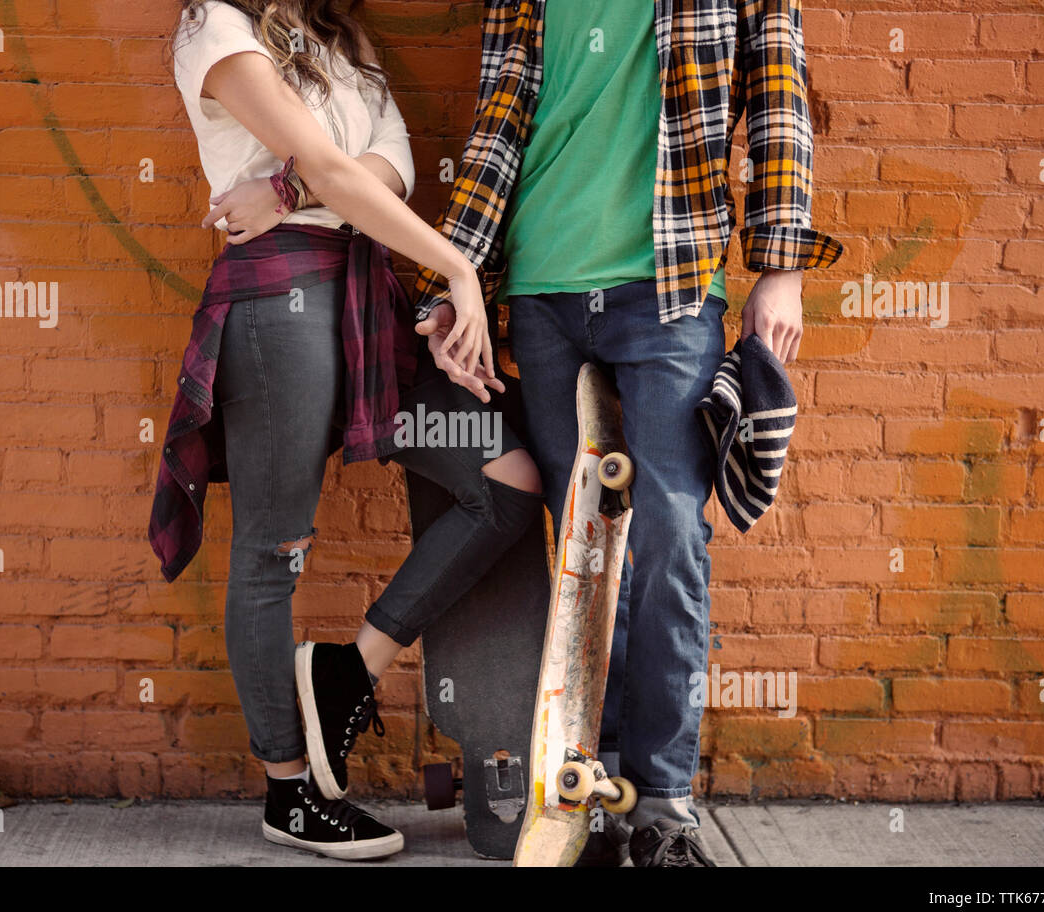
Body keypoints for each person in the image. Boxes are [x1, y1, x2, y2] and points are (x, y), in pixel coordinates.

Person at [413, 0, 843, 866]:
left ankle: (664, 803)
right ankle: (594, 788)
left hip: (670, 288)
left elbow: (779, 96)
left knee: (674, 532)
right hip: (542, 290)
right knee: (584, 551)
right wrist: (452, 282)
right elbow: (499, 122)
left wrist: (782, 266)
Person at [150, 0, 544, 862]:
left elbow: (389, 168)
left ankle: (348, 672)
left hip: (366, 298)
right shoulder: (214, 25)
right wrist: (454, 267)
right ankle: (289, 792)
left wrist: (292, 185)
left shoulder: (342, 35)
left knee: (506, 474)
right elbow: (334, 165)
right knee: (273, 549)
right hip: (276, 304)